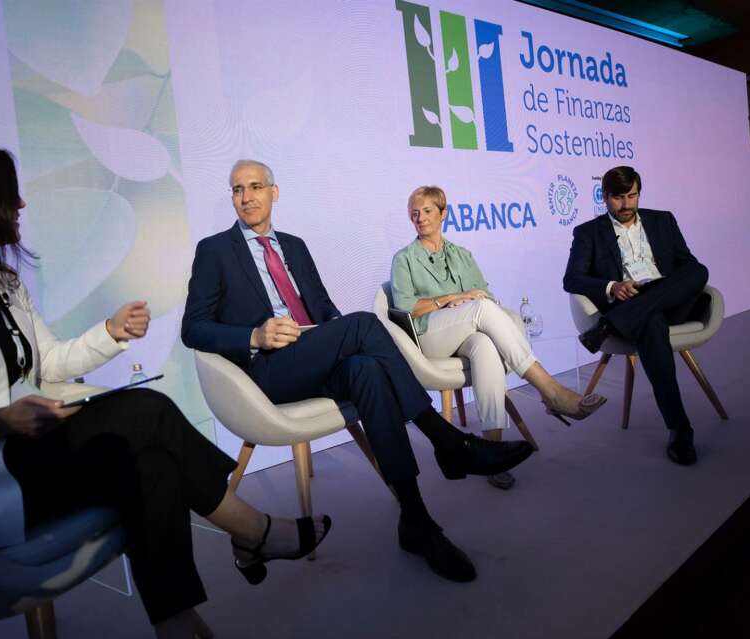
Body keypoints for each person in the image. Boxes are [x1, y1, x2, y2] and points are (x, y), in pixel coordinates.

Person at [0, 140, 331, 639]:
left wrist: (111, 333)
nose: (20, 206)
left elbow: (46, 363)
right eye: (9, 193)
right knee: (147, 412)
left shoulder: (0, 284)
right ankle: (252, 531)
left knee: (154, 466)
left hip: (12, 461)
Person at [181, 159, 535, 584]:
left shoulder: (293, 245)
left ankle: (416, 521)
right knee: (366, 323)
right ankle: (447, 441)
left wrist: (334, 334)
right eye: (237, 189)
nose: (246, 197)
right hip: (269, 371)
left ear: (274, 193)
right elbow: (193, 328)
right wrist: (255, 335)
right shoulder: (214, 250)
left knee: (367, 367)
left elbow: (325, 308)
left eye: (255, 186)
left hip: (314, 352)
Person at [391, 186, 607, 490]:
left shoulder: (462, 255)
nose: (419, 218)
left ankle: (492, 450)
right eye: (414, 213)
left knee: (486, 346)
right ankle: (551, 391)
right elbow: (405, 309)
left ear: (443, 213)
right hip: (429, 336)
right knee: (480, 308)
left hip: (466, 332)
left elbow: (485, 295)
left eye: (426, 211)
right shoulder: (404, 259)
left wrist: (469, 301)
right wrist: (452, 299)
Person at [564, 166, 710, 466]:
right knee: (651, 323)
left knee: (699, 271)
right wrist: (612, 286)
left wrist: (660, 289)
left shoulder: (663, 220)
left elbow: (687, 264)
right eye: (619, 198)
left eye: (632, 196)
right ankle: (680, 430)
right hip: (634, 304)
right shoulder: (588, 233)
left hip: (668, 300)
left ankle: (610, 325)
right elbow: (572, 279)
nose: (627, 204)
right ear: (604, 198)